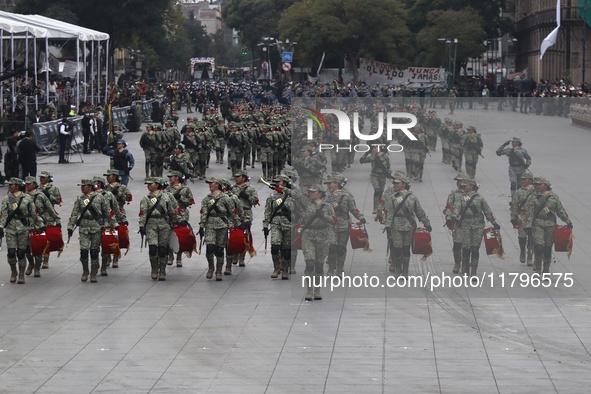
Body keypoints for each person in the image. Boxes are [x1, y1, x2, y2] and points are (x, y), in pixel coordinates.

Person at [383, 173, 431, 278]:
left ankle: (405, 270)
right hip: (396, 226)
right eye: (394, 183)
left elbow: (419, 212)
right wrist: (387, 225)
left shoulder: (412, 197)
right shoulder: (392, 197)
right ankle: (398, 269)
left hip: (409, 226)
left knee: (406, 249)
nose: (394, 185)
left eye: (397, 183)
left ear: (403, 184)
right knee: (397, 249)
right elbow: (390, 212)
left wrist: (427, 223)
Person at [451, 179, 501, 279]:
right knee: (466, 248)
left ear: (471, 186)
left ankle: (473, 272)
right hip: (465, 225)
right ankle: (465, 270)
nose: (463, 187)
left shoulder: (480, 198)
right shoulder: (461, 198)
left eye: (466, 186)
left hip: (478, 225)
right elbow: (456, 208)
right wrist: (454, 216)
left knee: (475, 249)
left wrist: (494, 222)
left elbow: (487, 211)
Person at [526, 177, 573, 275]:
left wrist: (568, 221)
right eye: (535, 185)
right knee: (539, 247)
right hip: (537, 224)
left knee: (547, 248)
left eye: (539, 184)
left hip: (550, 225)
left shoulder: (553, 197)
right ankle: (538, 269)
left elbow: (560, 210)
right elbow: (530, 212)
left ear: (546, 185)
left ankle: (546, 269)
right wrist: (528, 226)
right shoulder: (532, 196)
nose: (536, 186)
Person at [67, 179, 111, 283]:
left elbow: (107, 212)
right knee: (84, 251)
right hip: (84, 228)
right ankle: (85, 271)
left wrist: (110, 225)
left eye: (84, 186)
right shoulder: (80, 199)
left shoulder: (100, 197)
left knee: (94, 252)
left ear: (90, 187)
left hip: (96, 227)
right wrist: (70, 226)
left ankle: (93, 273)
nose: (82, 188)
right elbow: (74, 213)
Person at [0, 178, 43, 284]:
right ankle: (13, 271)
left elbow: (33, 214)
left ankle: (21, 274)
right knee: (11, 252)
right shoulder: (7, 199)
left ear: (17, 186)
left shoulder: (27, 198)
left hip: (23, 229)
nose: (9, 187)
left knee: (21, 253)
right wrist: (1, 227)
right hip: (11, 228)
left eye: (12, 185)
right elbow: (4, 215)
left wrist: (41, 225)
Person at [199, 177, 240, 281]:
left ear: (217, 184)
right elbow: (204, 213)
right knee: (210, 248)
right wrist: (201, 226)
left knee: (219, 250)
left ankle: (218, 271)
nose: (209, 185)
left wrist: (238, 224)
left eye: (211, 183)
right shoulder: (206, 199)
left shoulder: (226, 198)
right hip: (210, 225)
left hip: (222, 225)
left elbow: (232, 212)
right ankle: (211, 267)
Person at [139, 177, 179, 281]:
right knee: (153, 248)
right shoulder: (145, 198)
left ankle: (162, 269)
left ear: (157, 185)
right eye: (147, 184)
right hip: (151, 225)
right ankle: (154, 268)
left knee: (162, 250)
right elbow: (143, 213)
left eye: (150, 184)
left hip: (164, 225)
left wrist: (178, 221)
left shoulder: (166, 197)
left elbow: (171, 211)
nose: (148, 186)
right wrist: (141, 226)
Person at [324, 173, 365, 276]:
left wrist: (361, 217)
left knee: (341, 248)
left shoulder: (346, 196)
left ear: (336, 184)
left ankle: (339, 268)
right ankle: (331, 268)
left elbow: (353, 209)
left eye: (330, 183)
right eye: (327, 184)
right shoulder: (325, 196)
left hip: (343, 226)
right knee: (332, 247)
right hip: (331, 225)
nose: (328, 186)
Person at [24, 176, 60, 278]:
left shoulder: (41, 195)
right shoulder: (23, 196)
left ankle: (36, 267)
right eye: (25, 184)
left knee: (38, 246)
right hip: (25, 224)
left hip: (39, 223)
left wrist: (56, 220)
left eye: (29, 184)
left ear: (34, 185)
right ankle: (30, 263)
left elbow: (50, 208)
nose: (26, 185)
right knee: (26, 247)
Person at [263, 175, 293, 279]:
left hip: (288, 225)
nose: (276, 184)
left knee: (286, 249)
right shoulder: (271, 197)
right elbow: (267, 212)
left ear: (284, 184)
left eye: (278, 182)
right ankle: (276, 268)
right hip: (275, 224)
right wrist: (265, 225)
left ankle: (285, 269)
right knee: (275, 247)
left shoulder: (292, 196)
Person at [94, 176, 125, 276]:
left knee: (106, 245)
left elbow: (116, 208)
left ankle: (104, 267)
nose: (96, 184)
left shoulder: (108, 195)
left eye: (98, 182)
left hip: (107, 223)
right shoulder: (89, 196)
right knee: (94, 248)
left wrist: (122, 219)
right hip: (93, 224)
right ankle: (94, 266)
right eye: (94, 183)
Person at [165, 170, 194, 267]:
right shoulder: (167, 189)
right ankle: (170, 255)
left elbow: (190, 201)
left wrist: (181, 198)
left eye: (171, 177)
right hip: (170, 213)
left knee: (180, 235)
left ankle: (179, 257)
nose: (169, 179)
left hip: (182, 212)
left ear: (176, 178)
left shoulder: (185, 189)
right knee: (169, 233)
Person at [231, 169, 258, 267]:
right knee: (234, 234)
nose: (236, 179)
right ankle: (235, 254)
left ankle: (242, 257)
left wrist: (247, 197)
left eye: (238, 177)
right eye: (235, 177)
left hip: (246, 213)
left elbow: (255, 201)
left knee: (245, 235)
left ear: (244, 178)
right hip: (235, 213)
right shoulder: (233, 188)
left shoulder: (250, 189)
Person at [510, 171, 536, 266]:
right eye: (522, 179)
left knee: (532, 236)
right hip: (522, 216)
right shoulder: (519, 192)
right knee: (522, 236)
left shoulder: (535, 191)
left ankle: (530, 254)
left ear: (530, 180)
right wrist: (513, 217)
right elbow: (514, 205)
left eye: (525, 179)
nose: (522, 181)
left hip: (533, 217)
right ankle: (522, 251)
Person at [39, 170, 63, 269]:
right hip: (38, 215)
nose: (41, 179)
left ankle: (45, 259)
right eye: (40, 177)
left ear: (48, 178)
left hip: (49, 215)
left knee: (47, 238)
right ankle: (37, 257)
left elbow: (58, 201)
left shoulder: (54, 189)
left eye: (43, 177)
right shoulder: (36, 188)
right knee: (38, 237)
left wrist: (49, 195)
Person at [359, 145, 390, 214]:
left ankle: (380, 207)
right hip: (374, 175)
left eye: (376, 148)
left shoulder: (385, 157)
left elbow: (388, 167)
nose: (374, 149)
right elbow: (362, 160)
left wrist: (388, 174)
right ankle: (375, 208)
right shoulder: (373, 157)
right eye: (374, 148)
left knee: (381, 191)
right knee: (377, 191)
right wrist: (366, 153)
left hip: (382, 176)